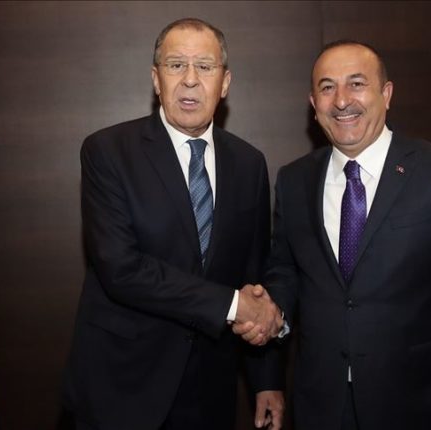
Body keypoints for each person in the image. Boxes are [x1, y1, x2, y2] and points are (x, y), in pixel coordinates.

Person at [237, 41, 431, 429]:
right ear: (313, 103)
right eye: (327, 88)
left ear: (386, 94)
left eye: (357, 84)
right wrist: (270, 310)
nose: (342, 100)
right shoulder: (294, 181)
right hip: (320, 406)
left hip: (419, 405)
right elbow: (287, 272)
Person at [63, 18, 284, 430]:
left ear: (225, 82)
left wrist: (266, 380)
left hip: (211, 386)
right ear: (155, 79)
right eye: (176, 65)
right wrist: (232, 305)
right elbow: (121, 269)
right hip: (125, 384)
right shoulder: (108, 151)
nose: (190, 79)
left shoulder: (249, 163)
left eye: (205, 66)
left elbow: (254, 274)